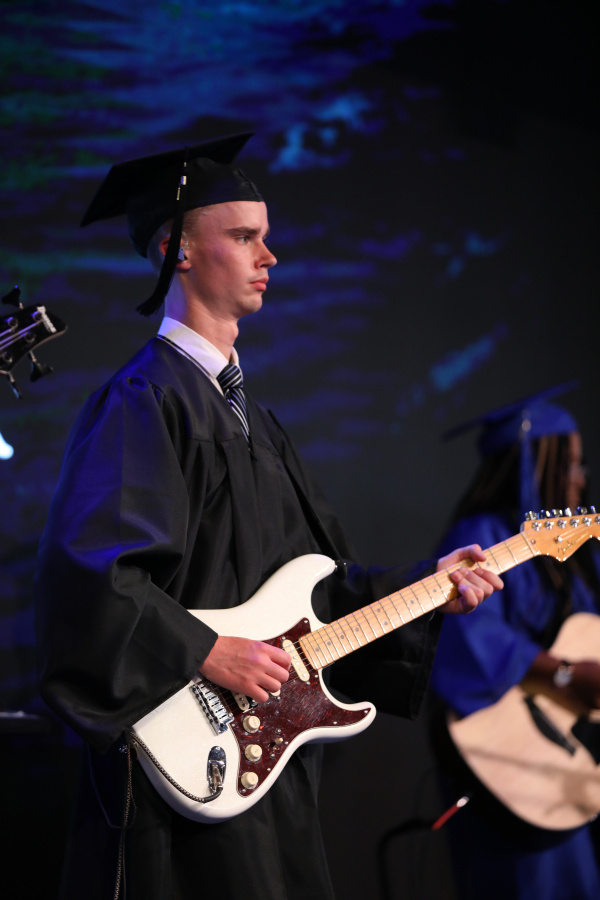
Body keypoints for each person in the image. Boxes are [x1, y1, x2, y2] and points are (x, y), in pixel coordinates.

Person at [34, 133, 502, 900]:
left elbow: (316, 589)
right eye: (246, 236)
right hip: (182, 759)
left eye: (267, 237)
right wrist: (207, 651)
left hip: (266, 756)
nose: (269, 256)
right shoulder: (146, 401)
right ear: (178, 250)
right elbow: (91, 578)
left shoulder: (255, 420)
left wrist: (430, 584)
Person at [430, 389, 600, 900]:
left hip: (577, 758)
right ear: (532, 466)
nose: (580, 478)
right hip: (510, 764)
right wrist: (562, 674)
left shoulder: (573, 549)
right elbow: (467, 639)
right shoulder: (481, 537)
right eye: (569, 464)